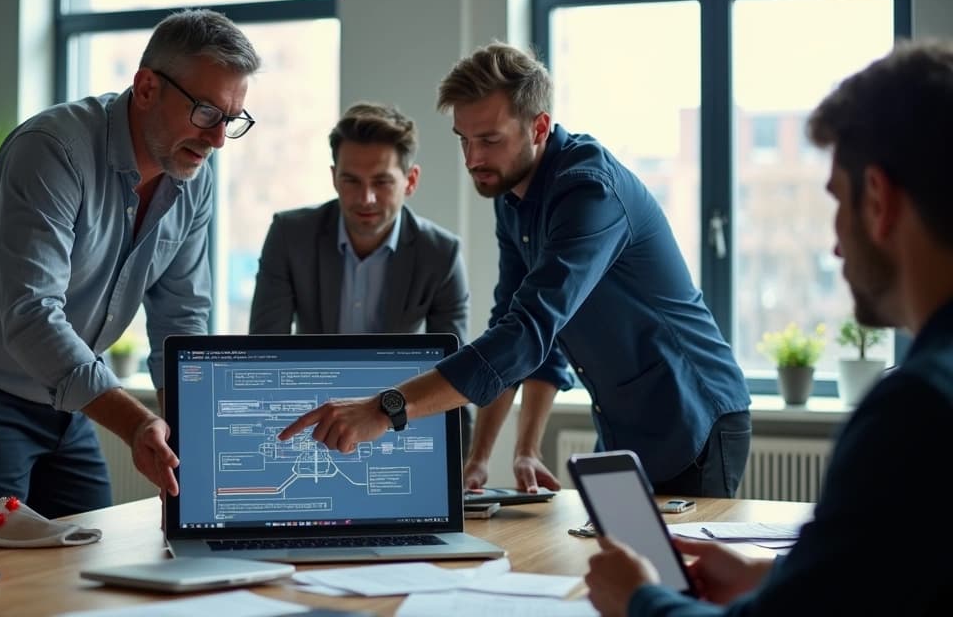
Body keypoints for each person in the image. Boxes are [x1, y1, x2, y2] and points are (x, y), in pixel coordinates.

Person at [279, 42, 751, 500]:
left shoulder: (589, 192)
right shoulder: (513, 199)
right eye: (464, 139)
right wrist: (482, 459)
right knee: (623, 565)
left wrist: (386, 409)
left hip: (696, 418)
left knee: (684, 575)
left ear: (539, 126)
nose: (472, 159)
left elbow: (528, 333)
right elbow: (515, 326)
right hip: (625, 424)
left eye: (489, 140)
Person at [583, 39, 953, 617]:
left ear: (878, 200)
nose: (834, 243)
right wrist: (775, 578)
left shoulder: (917, 410)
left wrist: (639, 600)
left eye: (836, 202)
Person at [0, 9, 260, 539]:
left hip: (64, 400)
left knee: (89, 558)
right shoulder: (53, 149)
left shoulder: (194, 175)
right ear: (145, 88)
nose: (218, 140)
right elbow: (31, 315)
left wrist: (189, 434)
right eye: (207, 112)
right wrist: (137, 422)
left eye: (232, 119)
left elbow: (180, 314)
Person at [248, 102, 473, 450]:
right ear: (334, 177)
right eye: (351, 180)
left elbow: (454, 375)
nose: (366, 198)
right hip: (308, 421)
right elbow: (265, 355)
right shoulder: (290, 236)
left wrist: (463, 469)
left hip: (396, 422)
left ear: (410, 181)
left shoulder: (441, 254)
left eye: (382, 182)